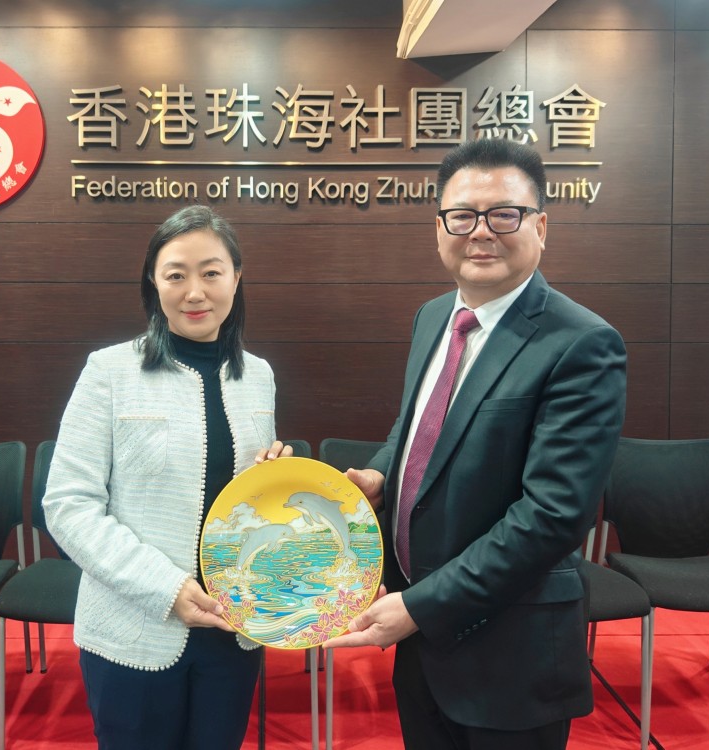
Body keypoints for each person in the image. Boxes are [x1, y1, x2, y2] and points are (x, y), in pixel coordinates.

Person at [325, 138, 627, 750]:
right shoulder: (433, 317)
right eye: (462, 215)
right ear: (439, 228)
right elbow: (415, 427)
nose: (481, 232)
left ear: (541, 226)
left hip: (509, 653)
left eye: (504, 214)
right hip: (421, 639)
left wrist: (420, 607)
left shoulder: (582, 344)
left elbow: (552, 516)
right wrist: (382, 474)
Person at [42, 204, 292, 750]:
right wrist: (167, 587)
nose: (194, 292)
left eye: (211, 272)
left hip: (233, 626)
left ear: (236, 277)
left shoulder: (259, 376)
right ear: (153, 283)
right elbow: (68, 505)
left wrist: (273, 482)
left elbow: (243, 501)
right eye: (176, 275)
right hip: (135, 626)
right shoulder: (110, 371)